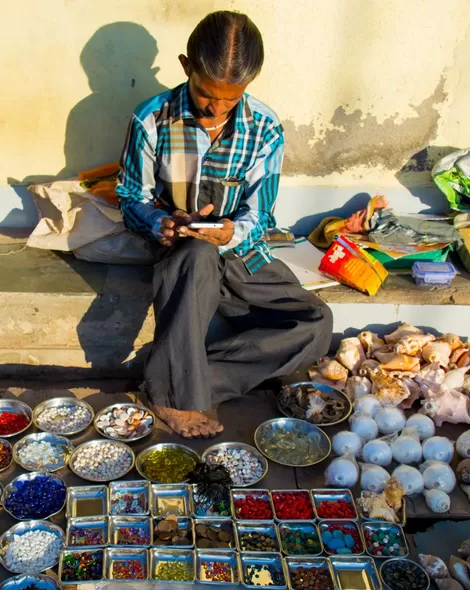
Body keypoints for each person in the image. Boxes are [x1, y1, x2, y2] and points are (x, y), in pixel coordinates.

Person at [116, 10, 333, 439]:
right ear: (186, 67)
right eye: (204, 94)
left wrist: (234, 231)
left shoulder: (265, 128)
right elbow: (130, 198)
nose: (216, 109)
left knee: (316, 323)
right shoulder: (152, 119)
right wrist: (160, 221)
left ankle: (179, 378)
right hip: (182, 253)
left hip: (239, 252)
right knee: (197, 252)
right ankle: (177, 396)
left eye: (230, 99)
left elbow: (262, 212)